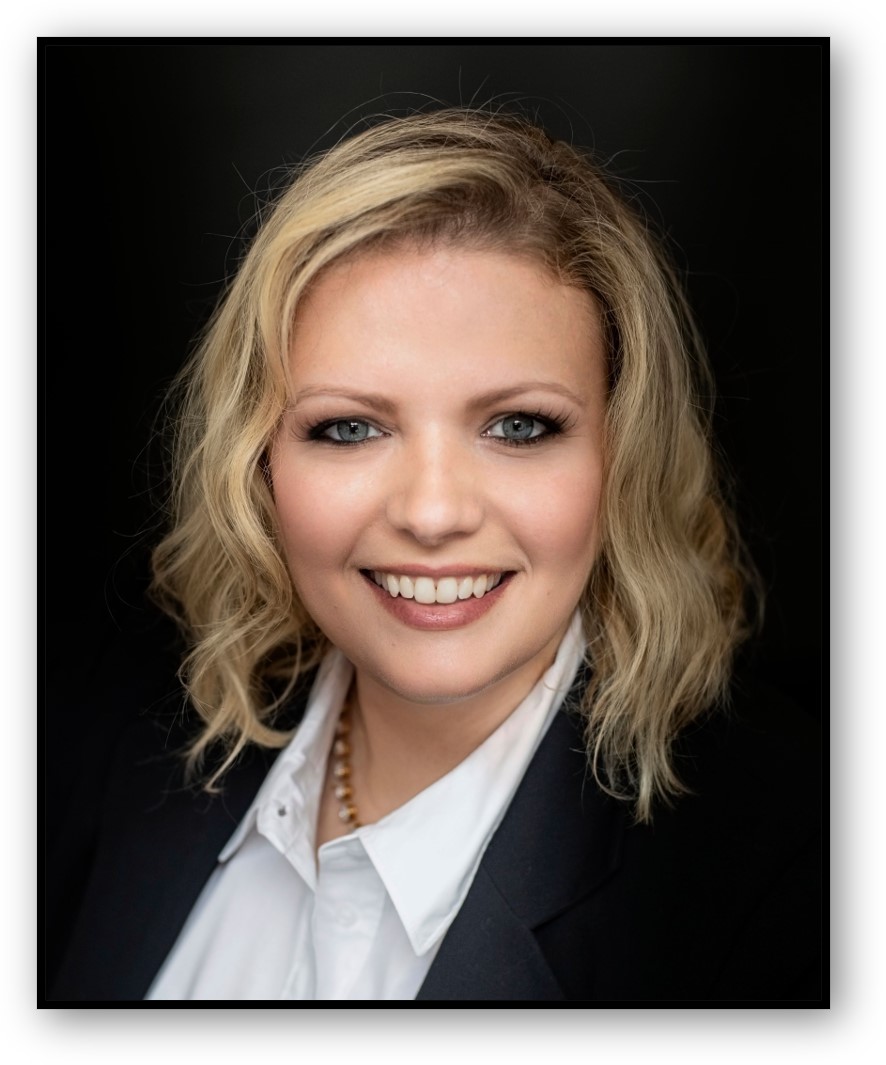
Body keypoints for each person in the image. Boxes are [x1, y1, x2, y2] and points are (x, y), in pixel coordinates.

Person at [46, 107, 821, 1003]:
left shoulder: (804, 882)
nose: (432, 512)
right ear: (257, 463)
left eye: (519, 426)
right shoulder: (102, 726)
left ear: (624, 457)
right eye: (349, 427)